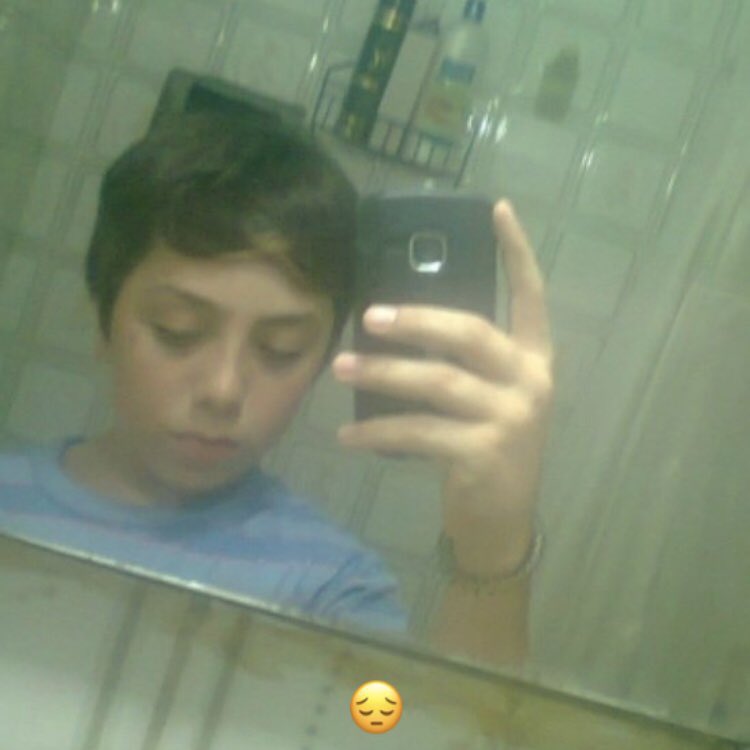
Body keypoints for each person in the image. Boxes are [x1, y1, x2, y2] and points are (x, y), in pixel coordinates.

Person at [0, 112, 554, 666]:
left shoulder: (331, 588)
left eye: (281, 349)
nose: (223, 390)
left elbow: (394, 715)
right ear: (101, 318)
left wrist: (493, 547)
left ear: (321, 359)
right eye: (177, 331)